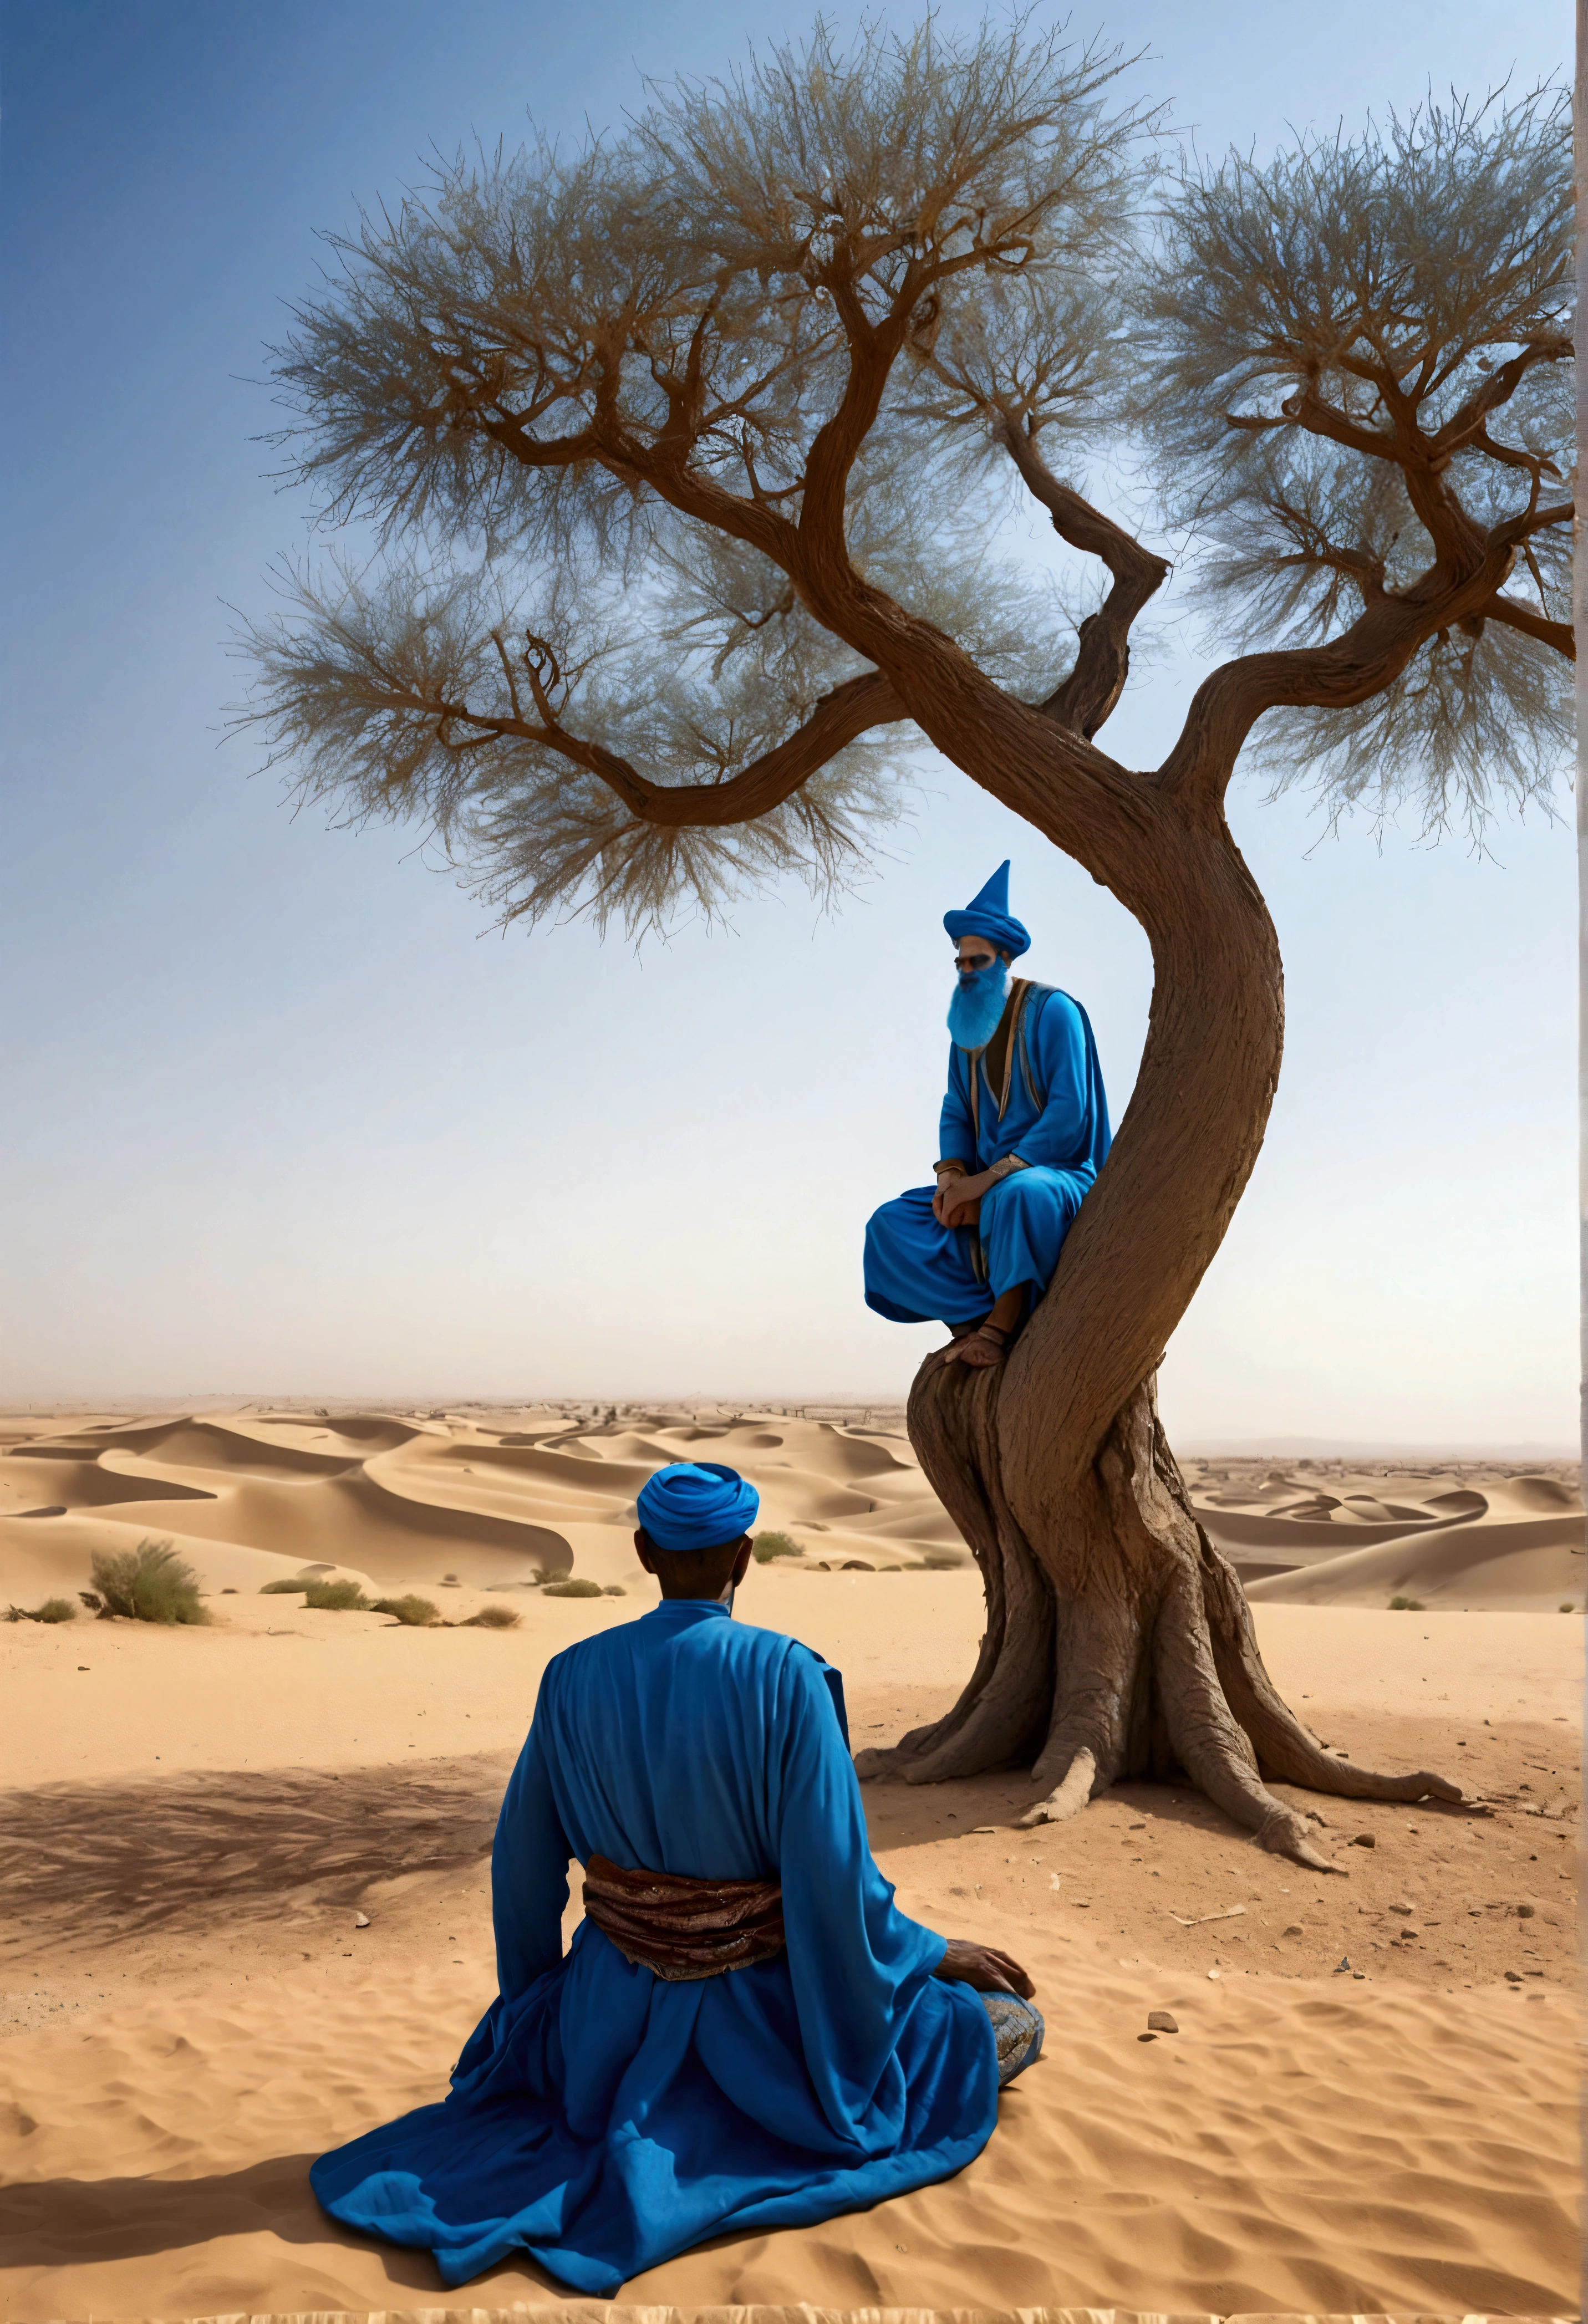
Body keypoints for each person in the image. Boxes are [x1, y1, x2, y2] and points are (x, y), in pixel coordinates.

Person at [309, 1460, 1042, 2294]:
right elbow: (832, 1885)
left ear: (645, 1553)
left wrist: (533, 2016)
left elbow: (522, 1868)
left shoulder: (571, 1674)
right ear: (744, 1557)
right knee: (999, 2027)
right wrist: (931, 1952)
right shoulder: (788, 1676)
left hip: (601, 2017)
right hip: (763, 2019)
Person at [864, 861, 1111, 1368]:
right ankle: (966, 1327)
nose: (966, 972)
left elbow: (1070, 1115)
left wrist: (988, 1184)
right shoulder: (968, 1030)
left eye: (977, 962)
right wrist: (953, 1178)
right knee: (889, 1225)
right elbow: (956, 1108)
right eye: (960, 963)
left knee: (1017, 1197)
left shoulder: (1053, 1010)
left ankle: (999, 1329)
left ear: (1004, 958)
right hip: (984, 1181)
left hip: (1055, 1173)